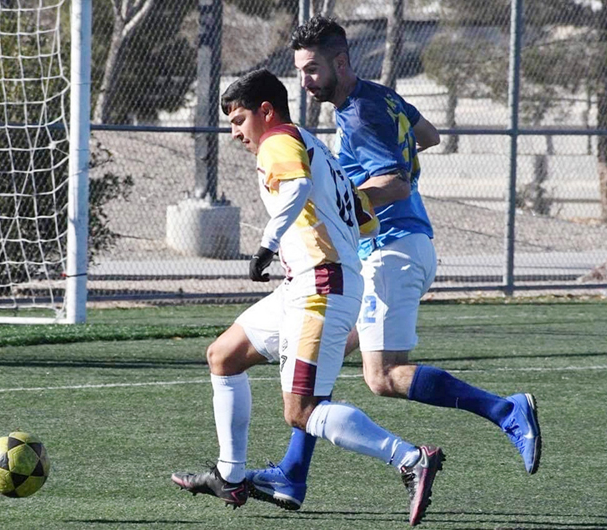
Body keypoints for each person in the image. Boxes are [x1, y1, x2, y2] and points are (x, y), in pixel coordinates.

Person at [245, 16, 541, 511]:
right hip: (396, 247)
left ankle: (506, 410)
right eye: (299, 71)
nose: (305, 81)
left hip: (391, 249)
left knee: (383, 376)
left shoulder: (358, 115)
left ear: (341, 62)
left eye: (313, 69)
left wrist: (343, 203)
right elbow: (427, 136)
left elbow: (397, 183)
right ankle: (292, 475)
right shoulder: (377, 97)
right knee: (325, 357)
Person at [170, 68, 444, 527]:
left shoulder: (278, 140)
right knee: (224, 354)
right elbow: (361, 215)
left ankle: (410, 458)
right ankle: (230, 476)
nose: (236, 133)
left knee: (301, 412)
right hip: (308, 282)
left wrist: (267, 245)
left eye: (238, 120)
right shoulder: (314, 146)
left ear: (266, 111)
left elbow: (296, 190)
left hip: (320, 286)